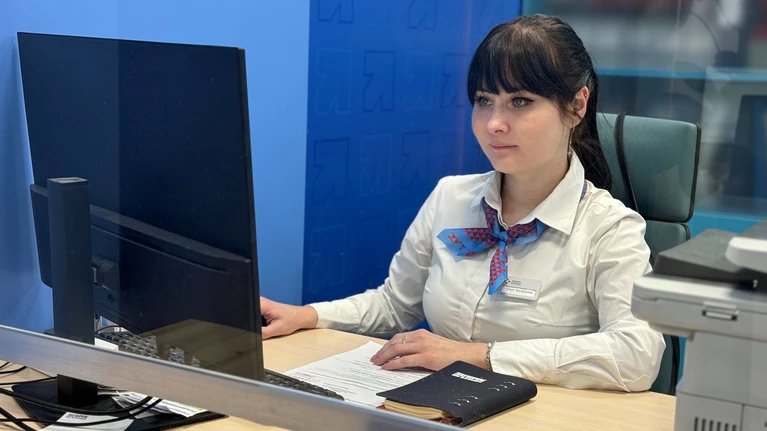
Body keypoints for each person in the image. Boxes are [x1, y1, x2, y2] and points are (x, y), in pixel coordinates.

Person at [260, 14, 665, 392]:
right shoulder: (450, 197)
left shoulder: (609, 228)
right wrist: (308, 315)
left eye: (520, 101)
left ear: (577, 105)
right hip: (436, 408)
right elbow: (394, 305)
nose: (494, 123)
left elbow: (638, 353)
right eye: (484, 100)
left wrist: (478, 356)